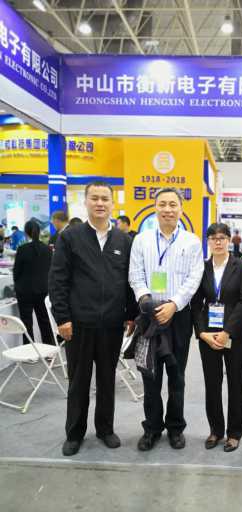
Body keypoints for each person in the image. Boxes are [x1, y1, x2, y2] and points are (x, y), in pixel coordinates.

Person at [49, 181, 137, 457]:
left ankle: (105, 429)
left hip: (112, 324)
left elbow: (130, 281)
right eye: (95, 198)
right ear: (85, 202)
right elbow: (58, 279)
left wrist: (131, 314)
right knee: (78, 381)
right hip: (79, 324)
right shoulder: (70, 237)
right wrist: (62, 317)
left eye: (105, 199)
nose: (100, 203)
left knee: (107, 379)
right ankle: (74, 433)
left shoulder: (124, 241)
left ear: (112, 203)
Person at [129, 188, 204, 452]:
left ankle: (175, 428)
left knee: (176, 376)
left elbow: (194, 278)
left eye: (173, 204)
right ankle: (151, 428)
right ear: (155, 208)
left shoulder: (192, 242)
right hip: (149, 316)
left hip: (178, 317)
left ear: (181, 209)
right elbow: (135, 274)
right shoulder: (142, 240)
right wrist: (145, 299)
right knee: (150, 376)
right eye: (163, 204)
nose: (168, 209)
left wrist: (174, 304)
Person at [191, 223, 242, 452]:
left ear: (229, 240)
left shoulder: (241, 266)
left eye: (222, 238)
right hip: (209, 335)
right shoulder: (202, 267)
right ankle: (216, 430)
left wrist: (227, 331)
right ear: (207, 242)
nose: (218, 242)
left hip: (235, 335)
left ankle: (234, 433)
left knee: (236, 384)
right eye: (213, 238)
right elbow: (196, 303)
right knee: (212, 384)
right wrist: (202, 333)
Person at [13, 220, 54, 346]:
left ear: (26, 232)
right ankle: (49, 348)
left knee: (26, 322)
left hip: (25, 291)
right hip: (43, 289)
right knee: (44, 320)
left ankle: (29, 350)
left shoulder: (22, 249)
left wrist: (17, 285)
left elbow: (16, 272)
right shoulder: (48, 249)